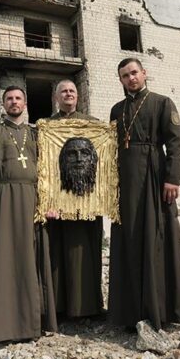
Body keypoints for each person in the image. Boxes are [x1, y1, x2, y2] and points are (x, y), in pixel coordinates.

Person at [108, 58, 180, 330]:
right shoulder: (116, 109)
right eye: (125, 75)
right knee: (130, 237)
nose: (131, 78)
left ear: (144, 73)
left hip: (153, 175)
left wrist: (172, 178)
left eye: (134, 72)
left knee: (158, 235)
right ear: (121, 80)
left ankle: (164, 308)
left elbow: (176, 142)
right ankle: (130, 311)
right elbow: (110, 147)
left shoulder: (162, 103)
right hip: (125, 181)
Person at [0, 86, 57, 343]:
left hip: (33, 200)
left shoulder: (35, 133)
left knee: (32, 259)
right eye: (9, 99)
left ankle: (34, 323)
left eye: (18, 98)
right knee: (5, 260)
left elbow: (47, 171)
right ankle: (3, 325)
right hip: (4, 202)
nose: (14, 102)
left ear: (25, 102)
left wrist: (49, 203)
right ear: (3, 104)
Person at [46, 80, 105, 319]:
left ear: (77, 96)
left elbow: (104, 160)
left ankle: (90, 307)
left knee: (88, 252)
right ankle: (60, 308)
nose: (68, 94)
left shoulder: (92, 125)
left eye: (72, 91)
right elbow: (45, 167)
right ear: (56, 98)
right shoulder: (47, 127)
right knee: (58, 255)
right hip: (58, 203)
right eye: (63, 91)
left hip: (89, 202)